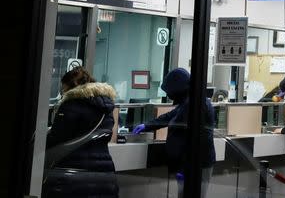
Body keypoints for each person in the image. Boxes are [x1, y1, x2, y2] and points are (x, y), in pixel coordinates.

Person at [132, 67, 215, 197]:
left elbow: (197, 140)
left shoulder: (195, 104)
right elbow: (170, 116)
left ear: (178, 88)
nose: (169, 95)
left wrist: (185, 167)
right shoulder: (188, 102)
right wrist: (147, 125)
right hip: (190, 165)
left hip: (195, 165)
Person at [43, 66, 119, 198]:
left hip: (74, 169)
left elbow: (57, 137)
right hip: (104, 170)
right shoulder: (106, 107)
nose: (62, 91)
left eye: (63, 87)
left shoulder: (71, 105)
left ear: (71, 85)